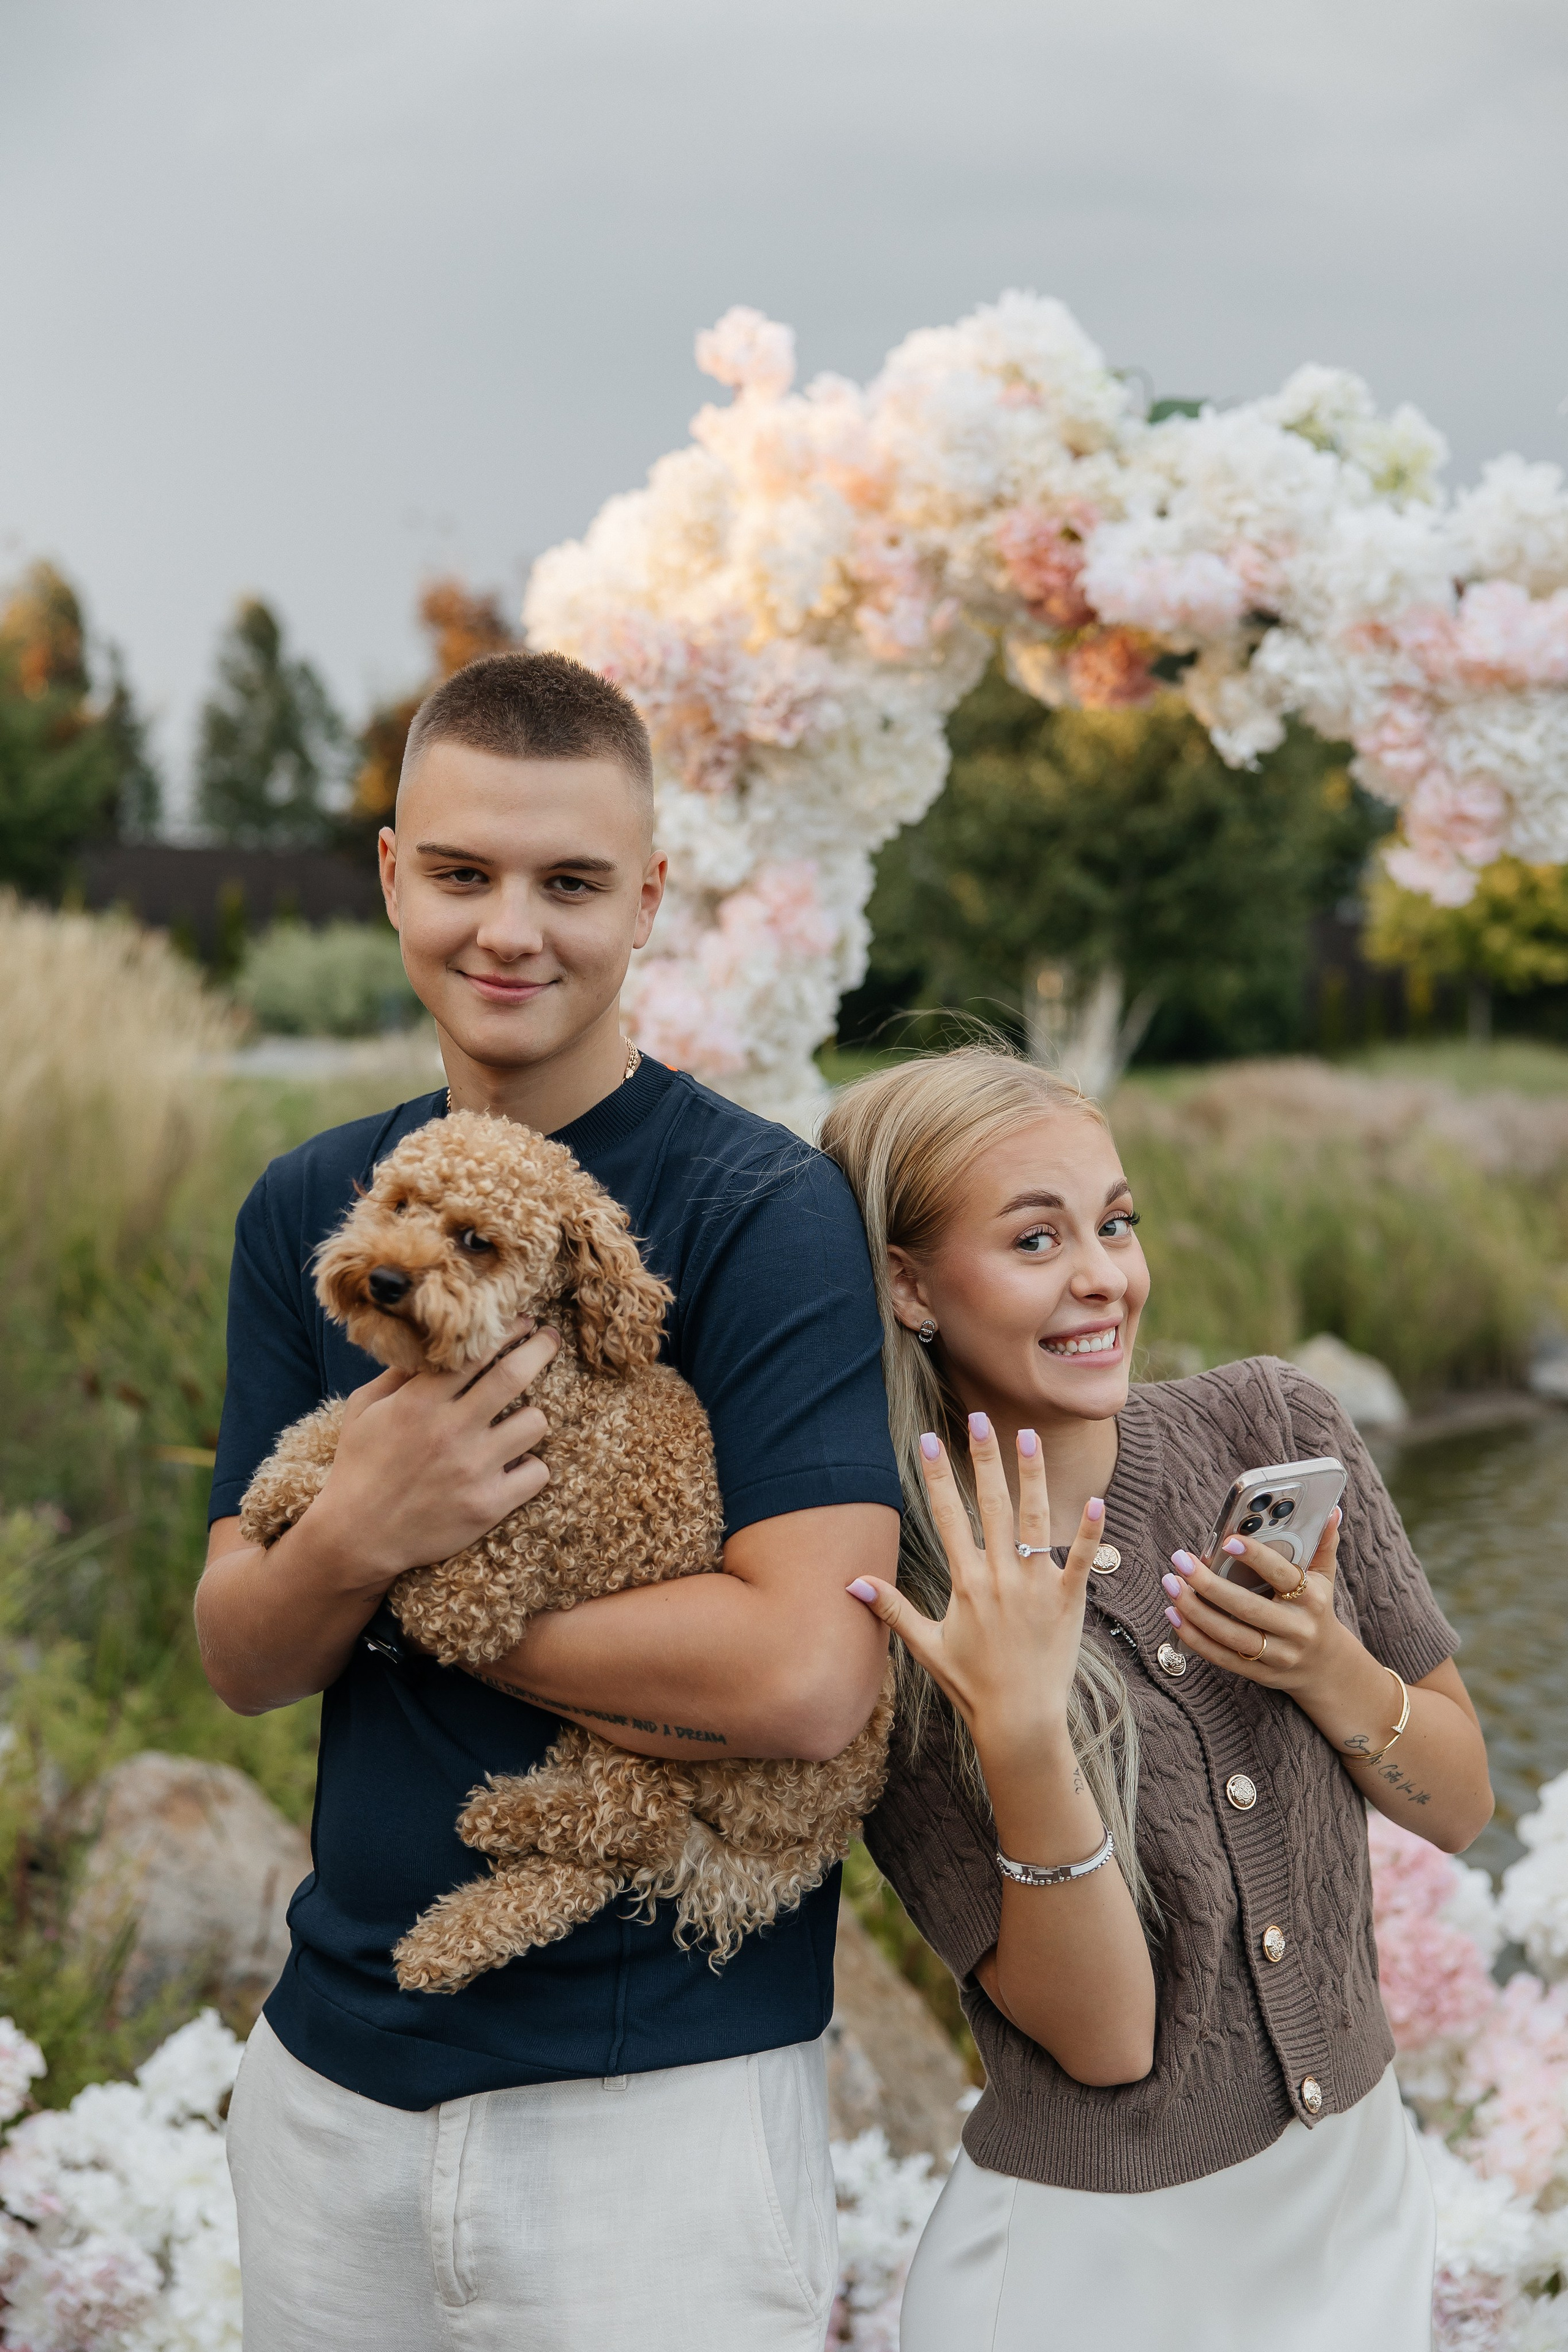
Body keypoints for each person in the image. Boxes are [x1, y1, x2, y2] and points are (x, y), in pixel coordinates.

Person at [197, 650, 900, 2352]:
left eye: (571, 884)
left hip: (655, 2112)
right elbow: (240, 1648)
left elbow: (810, 1676)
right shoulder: (319, 1207)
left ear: (647, 899)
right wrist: (357, 1527)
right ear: (391, 877)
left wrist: (403, 1580)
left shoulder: (762, 1211)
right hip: (333, 2087)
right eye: (462, 873)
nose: (509, 930)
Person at [819, 1046, 1492, 2352]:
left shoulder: (1274, 1427)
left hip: (1360, 2202)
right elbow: (1111, 2042)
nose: (1103, 1277)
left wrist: (1328, 1668)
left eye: (1115, 1223)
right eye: (1035, 1239)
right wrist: (1021, 1733)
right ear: (908, 1284)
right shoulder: (903, 1602)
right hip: (1099, 2274)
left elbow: (1460, 1807)